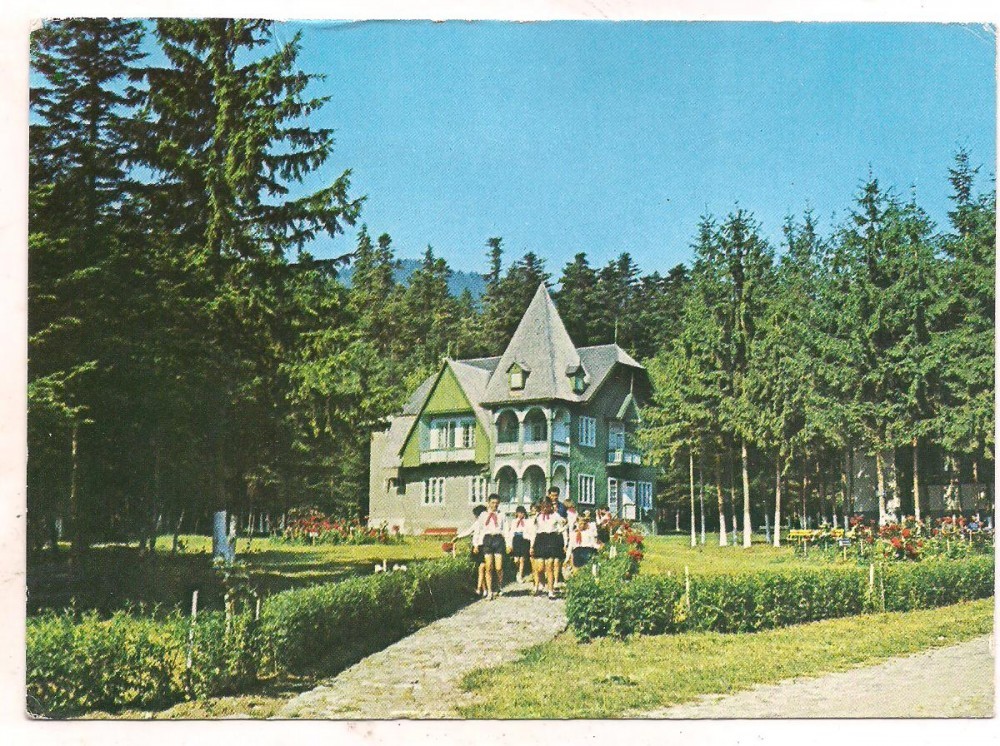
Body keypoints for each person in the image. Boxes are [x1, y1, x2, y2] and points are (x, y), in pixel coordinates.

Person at [531, 496, 566, 599]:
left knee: (549, 566)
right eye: (543, 506)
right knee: (540, 567)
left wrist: (559, 531)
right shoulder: (538, 516)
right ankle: (542, 583)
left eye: (547, 506)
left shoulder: (555, 515)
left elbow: (565, 523)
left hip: (551, 540)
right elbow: (534, 531)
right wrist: (532, 546)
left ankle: (551, 591)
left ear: (550, 505)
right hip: (540, 540)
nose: (545, 508)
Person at [477, 494, 507, 599]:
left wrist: (508, 544)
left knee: (498, 567)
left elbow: (505, 530)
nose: (495, 505)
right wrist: (477, 544)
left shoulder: (502, 515)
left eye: (497, 503)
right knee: (488, 567)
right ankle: (489, 591)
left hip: (498, 539)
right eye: (493, 503)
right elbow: (479, 530)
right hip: (487, 540)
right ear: (488, 503)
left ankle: (499, 586)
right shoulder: (483, 515)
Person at [455, 504, 488, 596]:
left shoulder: (486, 524)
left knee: (482, 568)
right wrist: (458, 537)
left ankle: (481, 589)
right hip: (479, 547)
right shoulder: (477, 523)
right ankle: (482, 589)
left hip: (483, 547)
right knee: (481, 568)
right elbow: (469, 531)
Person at [506, 505, 533, 584]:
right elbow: (511, 532)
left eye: (522, 513)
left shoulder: (528, 521)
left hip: (524, 539)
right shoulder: (514, 521)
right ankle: (517, 570)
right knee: (516, 559)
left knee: (522, 559)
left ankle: (520, 575)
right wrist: (510, 544)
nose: (521, 514)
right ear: (516, 513)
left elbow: (530, 532)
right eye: (519, 513)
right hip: (516, 539)